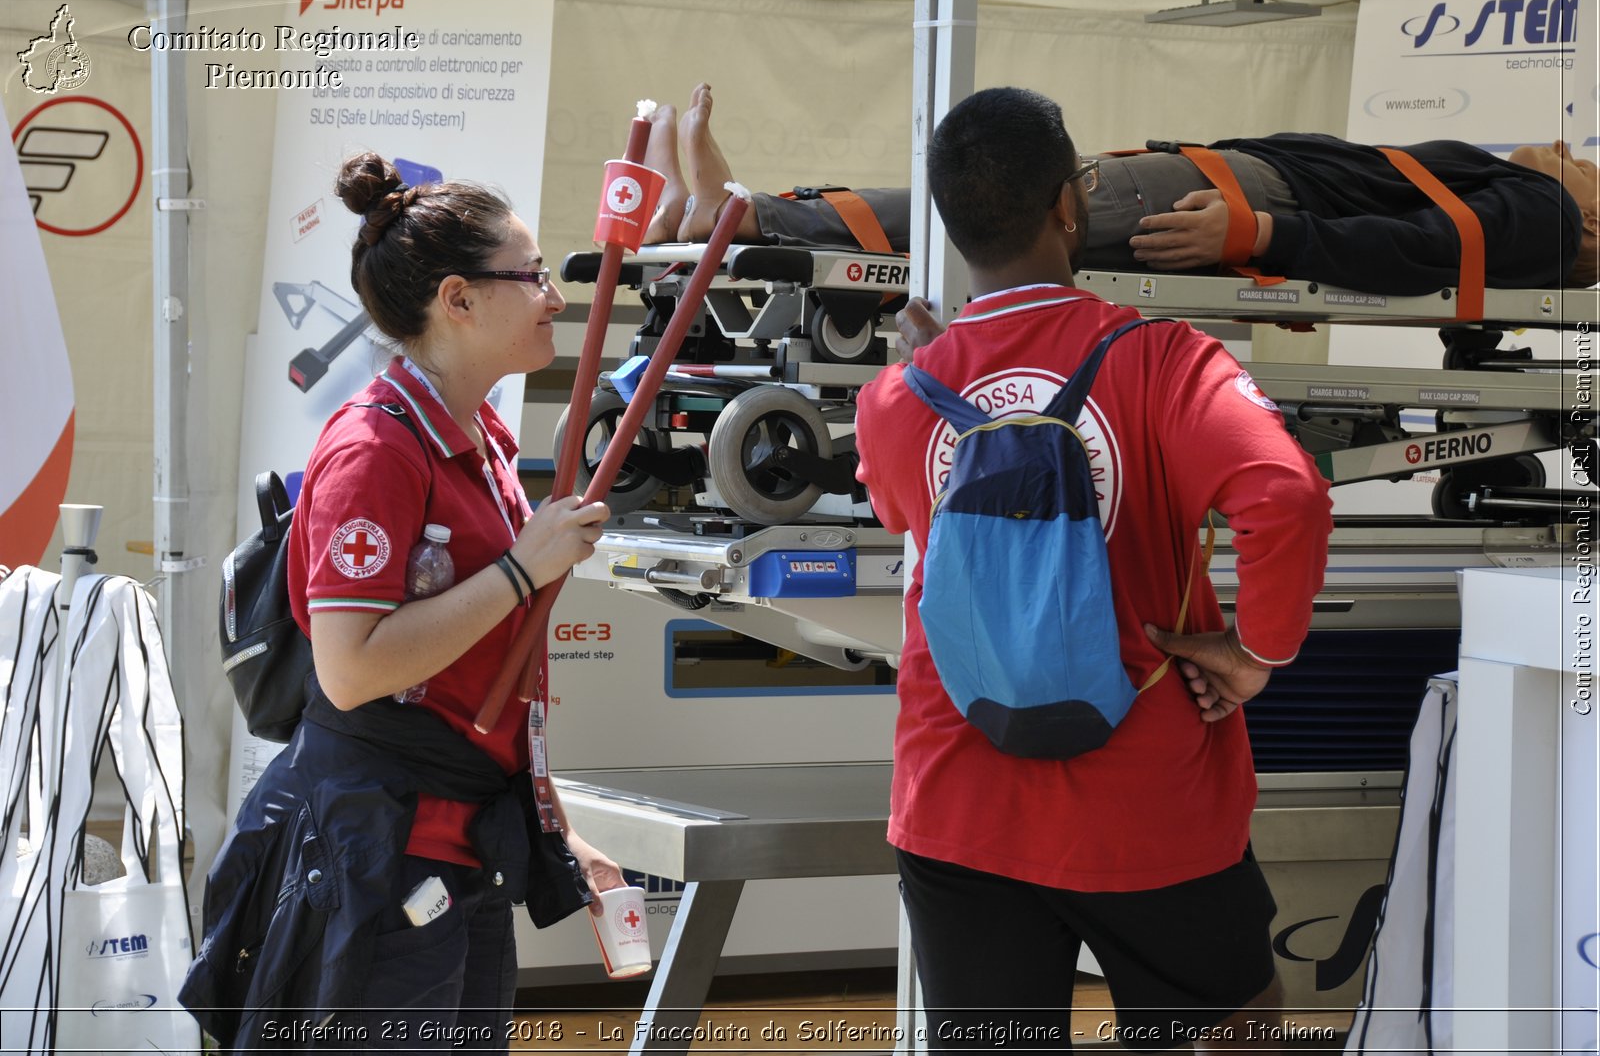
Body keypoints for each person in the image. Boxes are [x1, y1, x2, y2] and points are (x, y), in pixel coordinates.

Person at [851, 88, 1334, 1052]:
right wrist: (1255, 653)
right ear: (1069, 206)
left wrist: (929, 371)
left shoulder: (900, 394)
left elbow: (909, 513)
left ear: (949, 224)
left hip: (959, 799)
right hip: (1147, 800)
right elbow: (1287, 494)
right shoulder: (1162, 360)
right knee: (1235, 1029)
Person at [181, 153, 619, 1052]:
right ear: (457, 298)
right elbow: (350, 670)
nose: (554, 296)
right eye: (531, 274)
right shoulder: (376, 448)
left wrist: (557, 829)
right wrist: (517, 573)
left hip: (464, 855)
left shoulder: (481, 436)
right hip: (375, 862)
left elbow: (493, 681)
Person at [643, 84, 1599, 294]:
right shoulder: (1512, 194)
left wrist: (1258, 231)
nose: (1564, 145)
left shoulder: (1545, 214)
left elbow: (1425, 254)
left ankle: (752, 213)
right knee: (988, 189)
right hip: (1221, 185)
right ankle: (746, 212)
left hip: (1224, 195)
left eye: (1587, 159)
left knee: (990, 187)